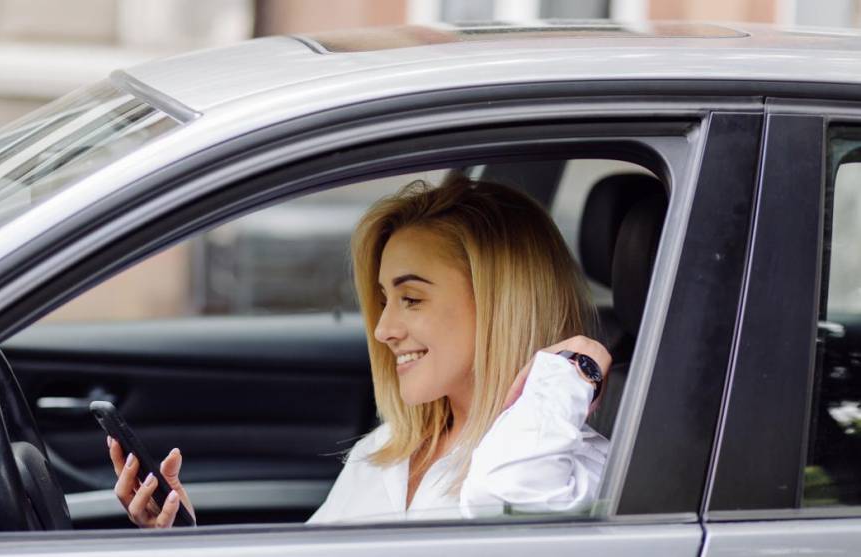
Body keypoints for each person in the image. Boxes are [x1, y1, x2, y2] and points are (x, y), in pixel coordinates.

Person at [106, 177, 611, 527]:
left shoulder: (567, 465)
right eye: (385, 300)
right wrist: (181, 536)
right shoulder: (385, 450)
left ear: (501, 303)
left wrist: (572, 369)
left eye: (411, 299)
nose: (385, 328)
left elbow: (509, 493)